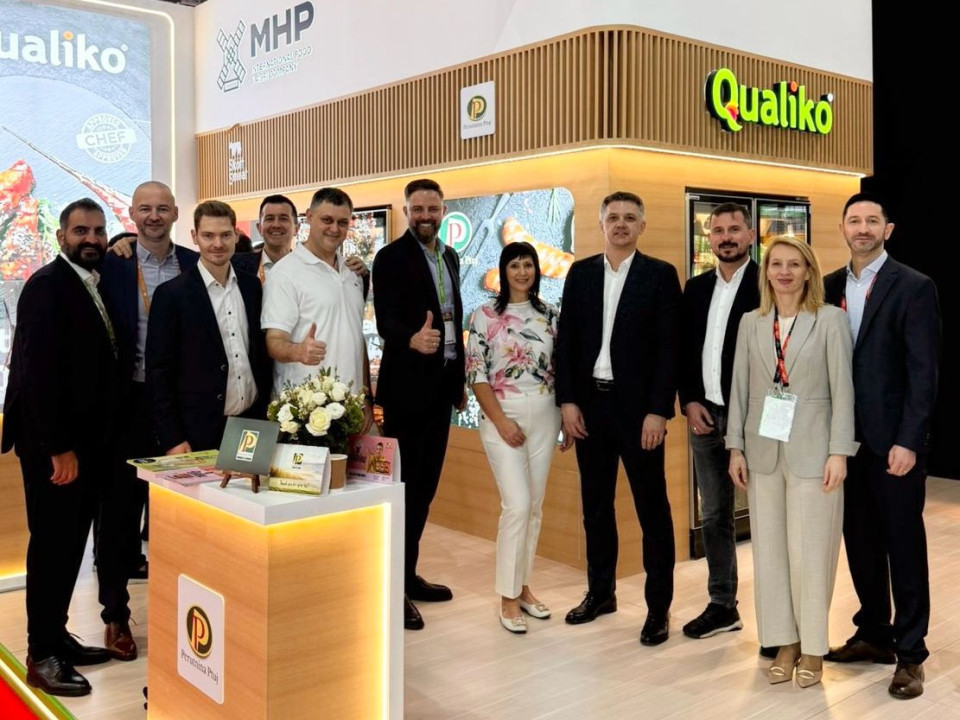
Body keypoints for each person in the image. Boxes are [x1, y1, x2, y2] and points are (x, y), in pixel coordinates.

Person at [823, 193, 941, 700]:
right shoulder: (827, 285)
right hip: (842, 442)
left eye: (873, 220)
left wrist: (909, 440)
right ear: (843, 228)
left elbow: (923, 372)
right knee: (860, 542)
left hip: (893, 443)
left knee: (904, 546)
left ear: (887, 230)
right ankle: (874, 634)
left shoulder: (914, 286)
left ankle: (911, 654)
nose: (863, 228)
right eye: (855, 220)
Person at [726, 235, 858, 688]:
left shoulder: (830, 320)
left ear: (808, 272)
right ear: (766, 272)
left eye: (794, 264)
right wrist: (735, 446)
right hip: (763, 451)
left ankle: (814, 647)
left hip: (815, 452)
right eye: (776, 264)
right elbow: (739, 388)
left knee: (811, 552)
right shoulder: (752, 322)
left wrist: (839, 451)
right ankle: (784, 641)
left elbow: (843, 390)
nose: (784, 272)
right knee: (770, 554)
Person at [1, 198, 119, 696]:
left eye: (98, 231)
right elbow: (37, 374)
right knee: (52, 548)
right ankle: (41, 655)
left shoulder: (91, 282)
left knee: (71, 546)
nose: (90, 239)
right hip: (55, 450)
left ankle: (57, 636)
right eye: (80, 231)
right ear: (61, 236)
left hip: (85, 446)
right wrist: (58, 448)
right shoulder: (47, 286)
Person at [554, 191, 681, 646]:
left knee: (653, 511)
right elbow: (566, 342)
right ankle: (601, 593)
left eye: (630, 217)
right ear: (601, 224)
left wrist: (658, 411)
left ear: (642, 226)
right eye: (613, 217)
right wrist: (567, 402)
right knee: (595, 507)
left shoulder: (660, 275)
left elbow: (670, 349)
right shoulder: (581, 273)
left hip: (639, 413)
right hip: (590, 408)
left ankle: (658, 609)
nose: (621, 224)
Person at [98, 180, 198, 661]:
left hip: (180, 408)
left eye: (162, 208)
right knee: (119, 514)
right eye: (145, 209)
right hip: (128, 405)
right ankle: (115, 614)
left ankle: (188, 614)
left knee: (182, 515)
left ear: (176, 214)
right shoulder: (113, 265)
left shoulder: (195, 264)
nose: (154, 216)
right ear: (132, 215)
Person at [372, 178, 466, 631]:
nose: (425, 216)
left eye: (433, 209)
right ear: (407, 210)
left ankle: (408, 575)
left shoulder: (450, 257)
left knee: (425, 490)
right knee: (403, 491)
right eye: (418, 209)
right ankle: (393, 588)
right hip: (406, 393)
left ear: (443, 210)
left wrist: (459, 379)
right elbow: (385, 319)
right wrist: (410, 338)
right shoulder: (390, 258)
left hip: (442, 390)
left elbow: (455, 320)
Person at [466, 242, 568, 634]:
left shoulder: (551, 315)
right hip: (501, 415)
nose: (522, 272)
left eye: (528, 265)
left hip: (546, 414)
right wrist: (502, 422)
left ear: (536, 271)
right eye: (514, 265)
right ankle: (507, 598)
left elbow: (563, 370)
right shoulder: (484, 315)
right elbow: (476, 374)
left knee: (535, 506)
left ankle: (523, 587)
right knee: (517, 505)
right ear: (503, 271)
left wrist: (566, 419)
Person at [678, 203, 759, 640]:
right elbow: (684, 350)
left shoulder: (769, 284)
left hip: (756, 421)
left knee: (768, 514)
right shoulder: (695, 288)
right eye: (718, 230)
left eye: (734, 229)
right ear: (709, 238)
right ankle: (723, 604)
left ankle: (780, 617)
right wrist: (689, 401)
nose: (726, 237)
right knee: (714, 515)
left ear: (750, 235)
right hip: (706, 416)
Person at [146, 200, 272, 454]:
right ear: (195, 237)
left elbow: (260, 355)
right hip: (196, 431)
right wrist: (172, 437)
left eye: (225, 235)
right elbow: (159, 372)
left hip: (251, 422)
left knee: (253, 482)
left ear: (236, 235)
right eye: (208, 235)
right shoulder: (171, 295)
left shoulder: (251, 287)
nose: (217, 244)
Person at [261, 187, 374, 421]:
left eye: (342, 222)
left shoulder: (352, 273)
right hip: (304, 413)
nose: (335, 229)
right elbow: (273, 342)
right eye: (327, 220)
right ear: (309, 217)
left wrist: (365, 396)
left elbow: (356, 338)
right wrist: (299, 351)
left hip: (350, 408)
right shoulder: (285, 273)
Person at [233, 194, 370, 295]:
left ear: (297, 228)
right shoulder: (235, 266)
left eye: (283, 219)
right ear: (259, 228)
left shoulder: (317, 266)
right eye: (269, 219)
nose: (276, 225)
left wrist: (361, 272)